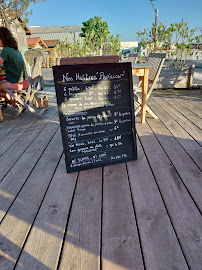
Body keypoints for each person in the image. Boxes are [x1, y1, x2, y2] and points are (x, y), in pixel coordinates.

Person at [0, 27, 29, 109]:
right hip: (24, 82)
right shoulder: (14, 49)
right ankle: (12, 99)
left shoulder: (6, 50)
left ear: (3, 38)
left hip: (18, 83)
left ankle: (10, 98)